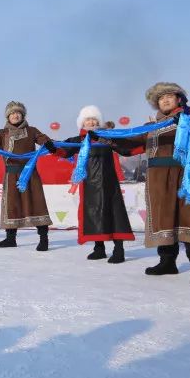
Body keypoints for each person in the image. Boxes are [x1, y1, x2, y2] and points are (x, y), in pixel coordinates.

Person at [115, 83, 190, 284]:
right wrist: (108, 138)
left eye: (169, 96)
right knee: (163, 219)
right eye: (161, 98)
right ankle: (167, 263)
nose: (165, 100)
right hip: (157, 179)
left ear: (179, 99)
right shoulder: (150, 127)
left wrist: (187, 120)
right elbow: (130, 145)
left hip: (184, 176)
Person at [59, 106, 134, 263]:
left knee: (114, 214)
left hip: (108, 184)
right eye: (88, 119)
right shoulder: (78, 140)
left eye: (94, 119)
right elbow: (63, 151)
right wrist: (51, 146)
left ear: (99, 122)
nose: (91, 122)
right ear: (82, 122)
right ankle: (99, 248)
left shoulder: (107, 137)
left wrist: (106, 140)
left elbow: (125, 149)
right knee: (93, 215)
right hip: (90, 185)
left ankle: (119, 249)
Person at [0, 101, 55, 250]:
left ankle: (44, 239)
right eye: (12, 113)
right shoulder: (2, 133)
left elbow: (44, 140)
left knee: (37, 204)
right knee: (12, 206)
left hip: (30, 174)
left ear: (23, 115)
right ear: (8, 117)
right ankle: (11, 239)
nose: (15, 115)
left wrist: (49, 144)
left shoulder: (32, 131)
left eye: (18, 113)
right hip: (11, 175)